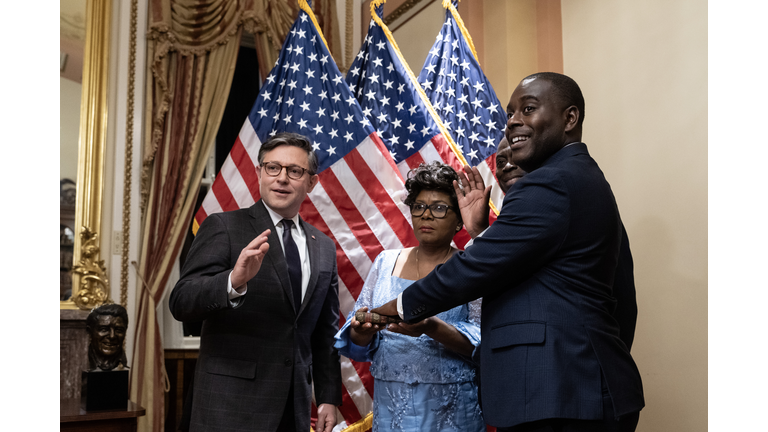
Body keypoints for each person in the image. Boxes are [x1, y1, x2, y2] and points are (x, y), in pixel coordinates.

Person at [373, 72, 644, 431]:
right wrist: (479, 232)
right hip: (568, 391)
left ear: (570, 118)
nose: (514, 120)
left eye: (528, 109)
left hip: (564, 393)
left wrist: (402, 305)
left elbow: (478, 267)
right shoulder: (578, 180)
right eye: (510, 112)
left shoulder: (553, 183)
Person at [169, 133, 341, 432]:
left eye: (295, 171)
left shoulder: (323, 247)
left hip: (294, 408)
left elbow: (324, 333)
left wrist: (328, 396)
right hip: (229, 406)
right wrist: (233, 281)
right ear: (259, 173)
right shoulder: (224, 226)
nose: (282, 178)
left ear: (311, 182)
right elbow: (182, 301)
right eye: (273, 167)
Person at [334, 161, 486, 431]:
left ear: (460, 219)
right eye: (419, 206)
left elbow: (482, 345)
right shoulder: (385, 262)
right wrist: (363, 330)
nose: (426, 215)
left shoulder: (470, 267)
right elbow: (356, 341)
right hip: (391, 410)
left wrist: (431, 326)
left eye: (439, 208)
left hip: (452, 412)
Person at [86, 303, 129, 371]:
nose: (112, 336)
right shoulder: (77, 362)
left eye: (119, 330)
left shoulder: (132, 371)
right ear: (90, 332)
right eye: (104, 329)